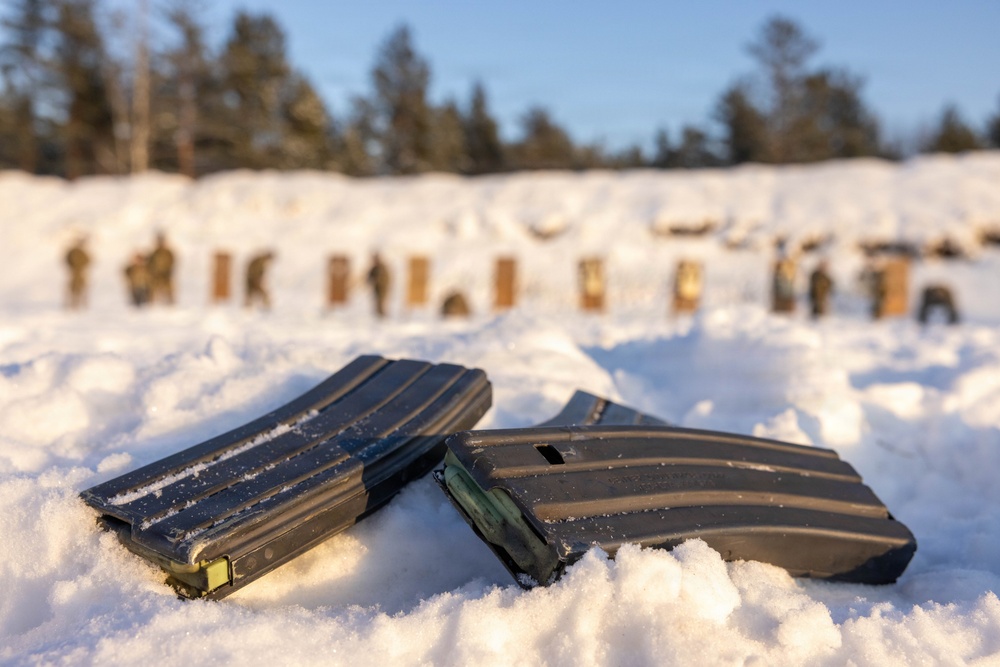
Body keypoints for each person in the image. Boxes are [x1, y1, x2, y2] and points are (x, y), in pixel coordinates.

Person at [147, 232, 176, 305]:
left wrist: (167, 271)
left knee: (169, 289)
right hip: (156, 276)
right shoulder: (154, 253)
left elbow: (172, 262)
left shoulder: (168, 252)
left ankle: (170, 304)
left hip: (166, 275)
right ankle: (152, 304)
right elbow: (149, 264)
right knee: (153, 289)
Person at [64, 237, 91, 309]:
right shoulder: (71, 251)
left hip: (81, 273)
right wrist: (72, 267)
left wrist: (82, 267)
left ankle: (83, 304)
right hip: (73, 273)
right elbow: (67, 260)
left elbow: (88, 260)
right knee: (72, 289)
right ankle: (72, 304)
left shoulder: (82, 252)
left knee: (82, 288)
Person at [366, 252, 391, 318]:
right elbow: (369, 276)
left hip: (382, 287)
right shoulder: (374, 268)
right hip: (376, 288)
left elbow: (386, 277)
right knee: (377, 301)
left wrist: (379, 281)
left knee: (381, 301)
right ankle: (378, 314)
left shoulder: (382, 267)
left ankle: (381, 314)